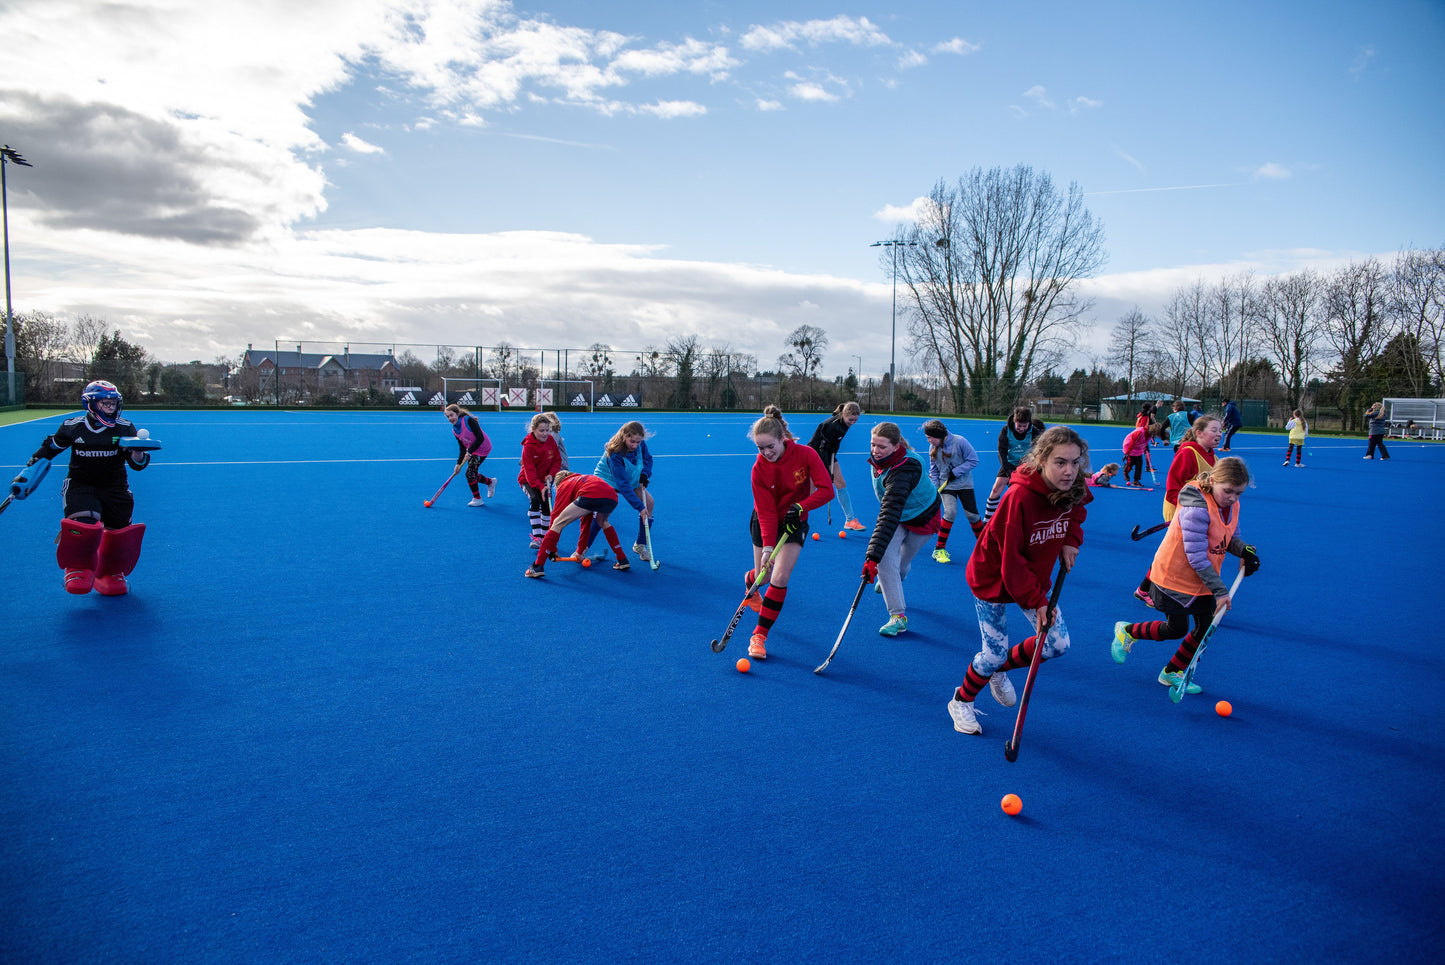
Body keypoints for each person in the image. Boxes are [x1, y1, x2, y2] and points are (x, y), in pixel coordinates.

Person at [948, 426, 1091, 736]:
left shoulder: (1072, 483)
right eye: (1060, 462)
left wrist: (1071, 540)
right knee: (992, 653)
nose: (1069, 471)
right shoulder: (1019, 496)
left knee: (1057, 644)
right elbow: (1010, 561)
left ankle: (998, 671)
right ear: (1041, 459)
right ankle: (961, 699)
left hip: (1031, 577)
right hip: (993, 578)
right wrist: (1038, 602)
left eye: (1075, 462)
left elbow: (1077, 508)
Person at [1111, 457, 1259, 694]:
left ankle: (1171, 672)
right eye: (1228, 491)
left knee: (1204, 627)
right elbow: (1196, 556)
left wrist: (1245, 551)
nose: (1232, 498)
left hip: (1203, 579)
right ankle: (1127, 632)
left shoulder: (1231, 504)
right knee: (1176, 629)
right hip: (1174, 577)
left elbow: (1228, 537)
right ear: (1212, 481)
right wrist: (1221, 591)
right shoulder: (1195, 505)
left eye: (1238, 493)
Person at [13, 381, 151, 595]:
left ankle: (110, 571)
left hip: (115, 488)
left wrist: (138, 454)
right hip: (81, 485)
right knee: (84, 523)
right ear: (92, 405)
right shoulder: (72, 427)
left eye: (113, 403)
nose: (111, 408)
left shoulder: (125, 428)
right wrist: (27, 474)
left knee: (120, 532)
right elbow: (48, 451)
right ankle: (77, 567)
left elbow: (136, 465)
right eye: (105, 403)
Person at [744, 406, 835, 660]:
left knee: (780, 577)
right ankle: (752, 580)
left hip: (796, 521)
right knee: (765, 575)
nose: (765, 453)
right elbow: (766, 513)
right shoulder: (758, 470)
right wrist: (769, 549)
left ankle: (759, 635)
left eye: (769, 446)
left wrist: (801, 506)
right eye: (760, 448)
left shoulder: (806, 455)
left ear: (783, 438)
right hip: (766, 520)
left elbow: (827, 490)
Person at [861, 422, 942, 636]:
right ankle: (898, 617)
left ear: (897, 446)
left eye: (882, 447)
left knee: (901, 565)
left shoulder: (906, 468)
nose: (875, 451)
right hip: (897, 515)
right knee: (886, 560)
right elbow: (890, 508)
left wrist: (871, 554)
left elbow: (889, 510)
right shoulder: (879, 461)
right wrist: (875, 558)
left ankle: (896, 576)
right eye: (873, 445)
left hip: (923, 517)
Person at [1135, 415, 1222, 606]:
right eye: (1214, 430)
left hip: (1197, 512)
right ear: (1199, 433)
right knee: (1176, 553)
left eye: (1220, 430)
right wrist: (1184, 509)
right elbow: (1173, 487)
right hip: (1179, 508)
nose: (1219, 434)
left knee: (1185, 552)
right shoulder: (1188, 453)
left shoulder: (1213, 455)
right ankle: (1150, 589)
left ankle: (1147, 588)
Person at [524, 470, 631, 577]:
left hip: (590, 495)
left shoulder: (564, 484)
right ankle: (622, 559)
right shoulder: (581, 479)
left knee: (558, 523)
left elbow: (555, 517)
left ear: (557, 484)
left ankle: (537, 566)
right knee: (602, 521)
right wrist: (580, 552)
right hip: (612, 496)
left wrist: (552, 549)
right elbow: (586, 523)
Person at [593, 420, 655, 562]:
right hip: (608, 480)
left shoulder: (640, 444)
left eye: (638, 442)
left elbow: (648, 459)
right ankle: (581, 550)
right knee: (603, 516)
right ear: (624, 436)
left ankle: (640, 545)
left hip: (628, 478)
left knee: (649, 503)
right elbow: (623, 485)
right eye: (632, 441)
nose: (635, 445)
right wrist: (639, 507)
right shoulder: (615, 453)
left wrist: (645, 474)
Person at [921, 418, 981, 564]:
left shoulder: (960, 441)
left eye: (930, 438)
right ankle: (939, 550)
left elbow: (973, 460)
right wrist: (935, 489)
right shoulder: (932, 448)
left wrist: (957, 471)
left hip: (965, 483)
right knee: (951, 512)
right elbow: (934, 470)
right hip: (946, 486)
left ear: (938, 436)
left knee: (973, 516)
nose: (928, 441)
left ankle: (986, 547)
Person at [808, 401, 864, 530]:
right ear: (844, 414)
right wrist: (827, 471)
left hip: (829, 453)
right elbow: (820, 448)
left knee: (840, 483)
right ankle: (793, 516)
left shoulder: (844, 423)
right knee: (811, 491)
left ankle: (850, 520)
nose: (853, 423)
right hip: (813, 455)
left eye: (856, 420)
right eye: (851, 419)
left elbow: (832, 445)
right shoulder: (831, 426)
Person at [983, 407, 1045, 520]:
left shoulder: (1034, 431)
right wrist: (1008, 471)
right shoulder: (1006, 430)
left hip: (1026, 465)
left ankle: (1030, 518)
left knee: (1025, 493)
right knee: (996, 489)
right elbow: (1001, 452)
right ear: (1014, 422)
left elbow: (1040, 450)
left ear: (1029, 423)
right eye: (1019, 426)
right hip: (1009, 463)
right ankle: (987, 520)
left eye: (1024, 426)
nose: (1021, 428)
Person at [517, 413, 563, 548]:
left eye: (547, 430)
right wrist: (540, 486)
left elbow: (557, 460)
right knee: (536, 499)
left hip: (545, 480)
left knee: (547, 508)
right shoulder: (528, 446)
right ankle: (537, 537)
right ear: (533, 430)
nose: (545, 434)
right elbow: (529, 471)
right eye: (541, 430)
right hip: (527, 480)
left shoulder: (551, 441)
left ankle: (544, 537)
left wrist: (551, 475)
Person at [444, 403, 496, 505]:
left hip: (483, 447)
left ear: (457, 414)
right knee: (472, 473)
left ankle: (477, 499)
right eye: (448, 416)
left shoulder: (468, 420)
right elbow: (462, 447)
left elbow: (480, 438)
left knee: (470, 473)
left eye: (451, 415)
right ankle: (490, 482)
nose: (450, 418)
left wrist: (470, 451)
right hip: (472, 450)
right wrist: (458, 464)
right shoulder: (454, 430)